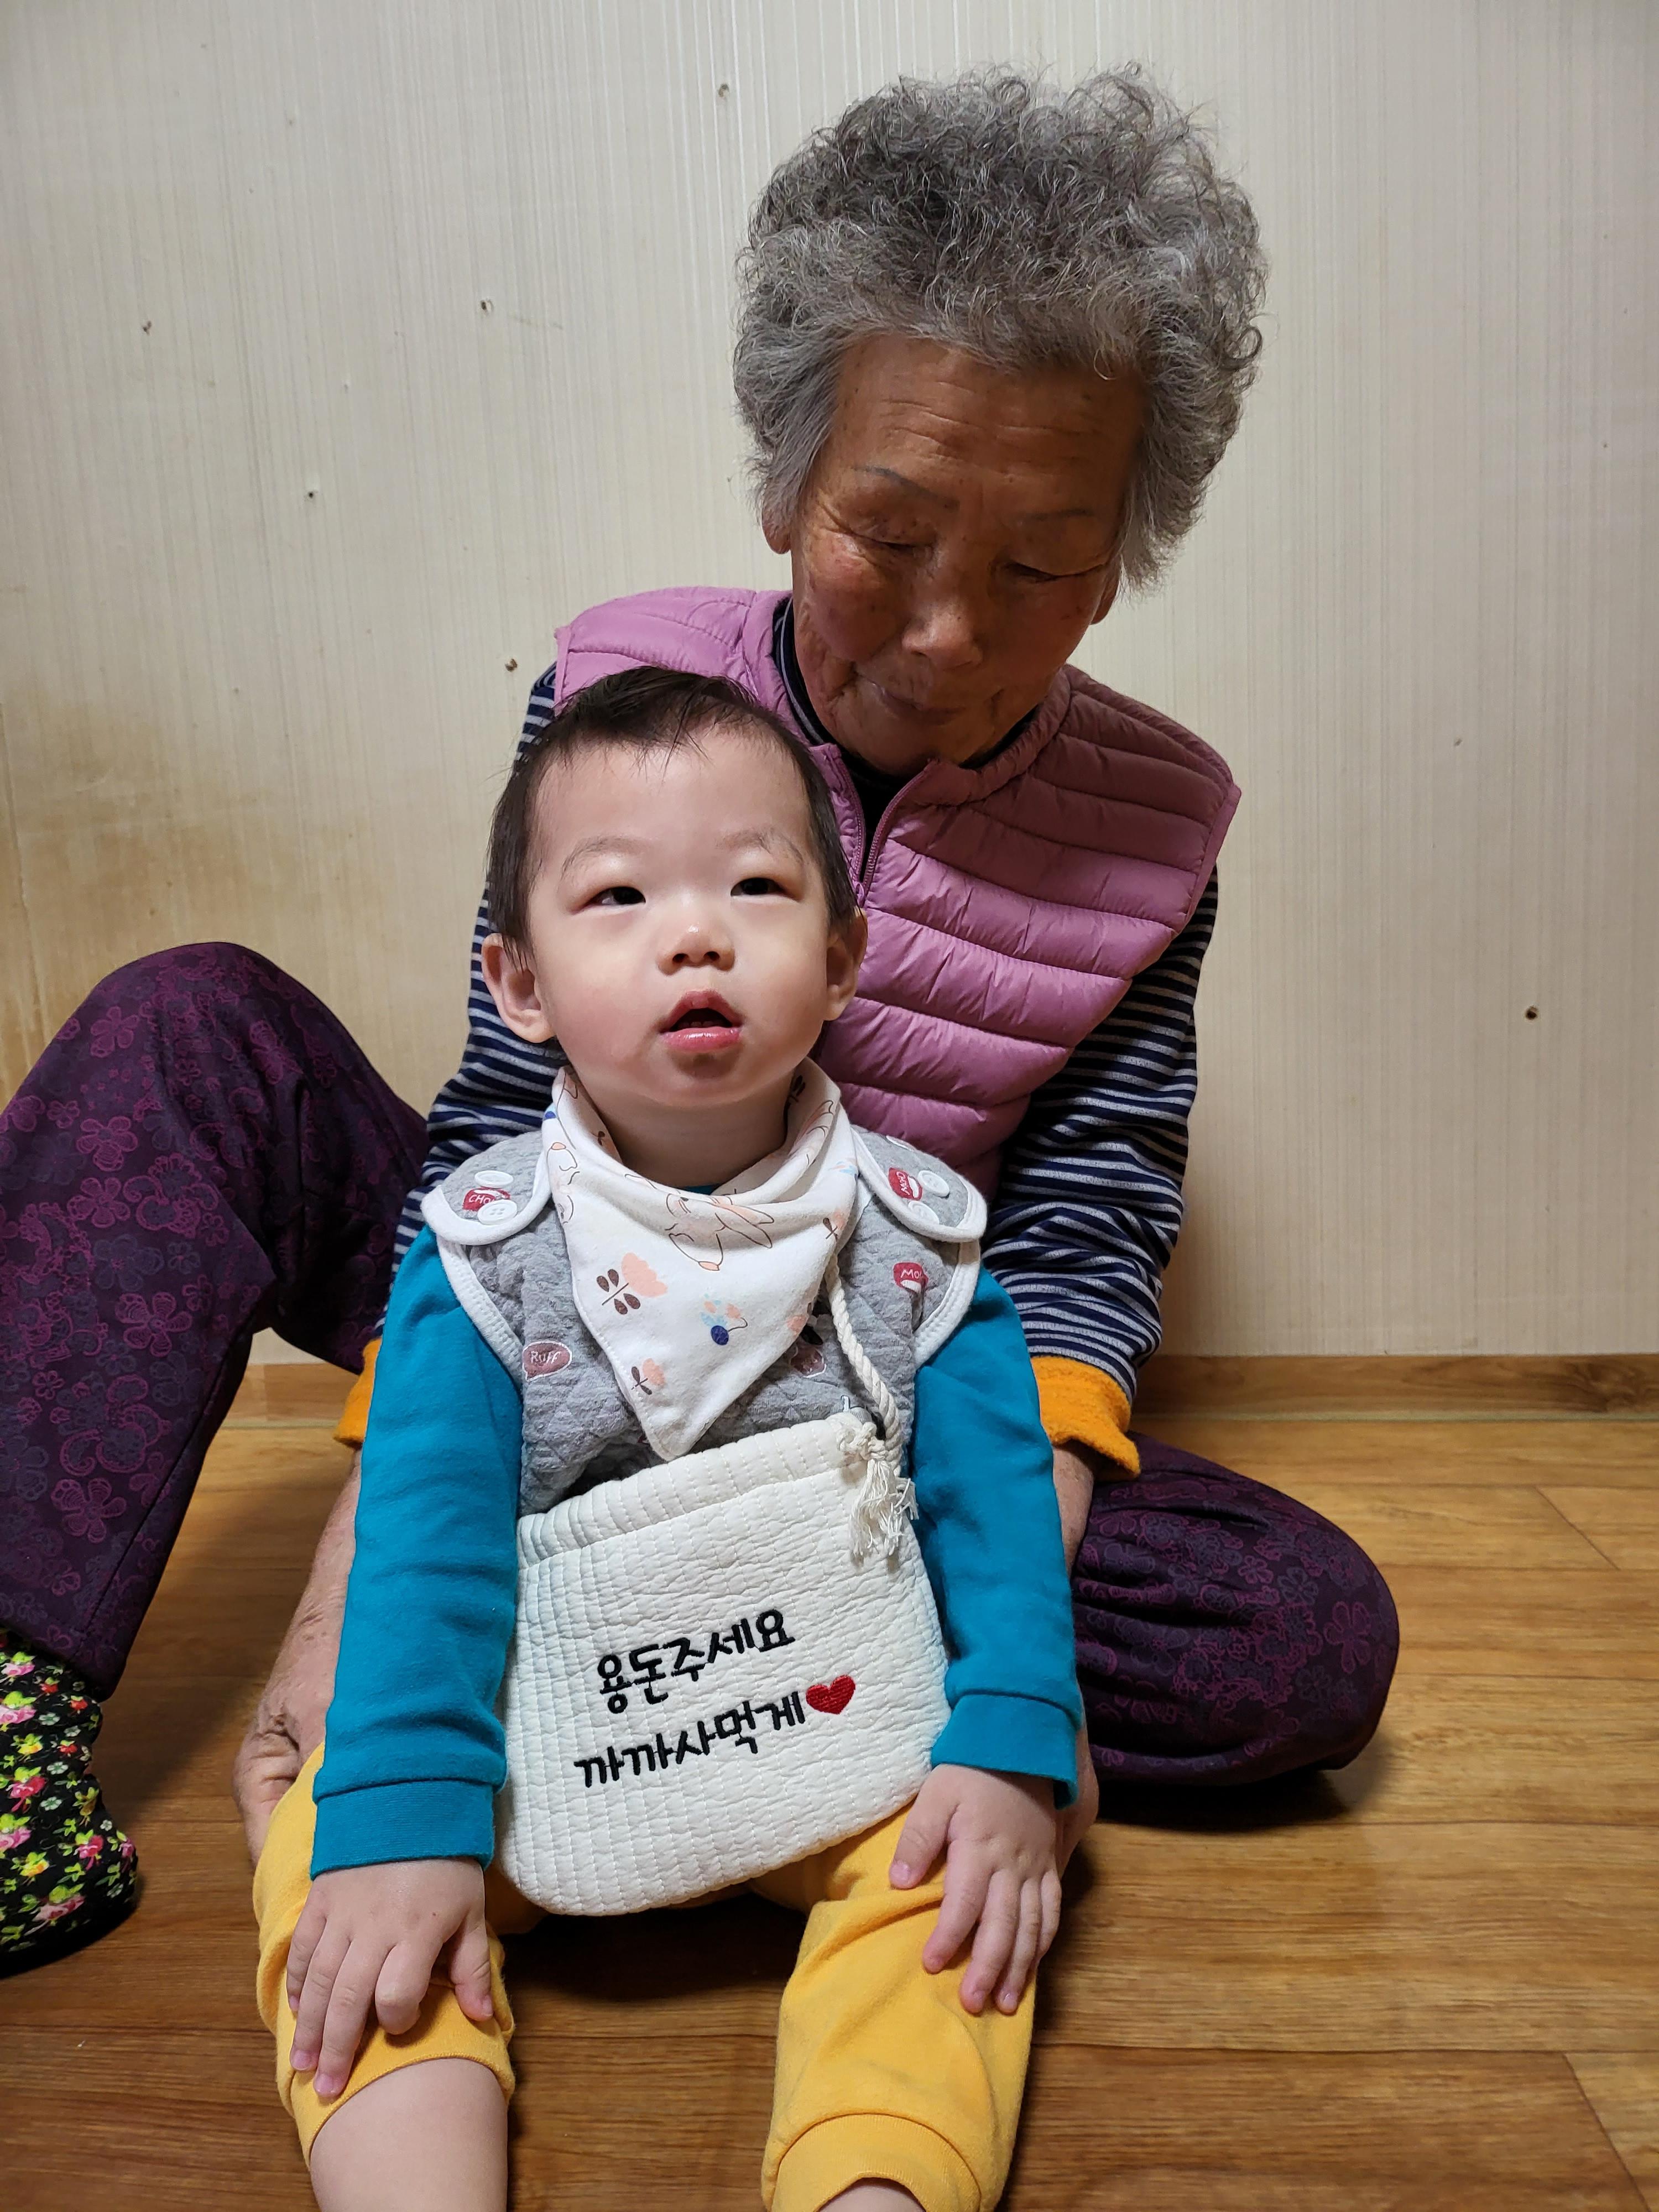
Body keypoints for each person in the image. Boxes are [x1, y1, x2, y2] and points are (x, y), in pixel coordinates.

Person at [0, 67, 1399, 1979]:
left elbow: (1085, 1229)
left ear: (1126, 551)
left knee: (1302, 1637)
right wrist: (362, 1573)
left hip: (862, 1375)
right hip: (526, 1312)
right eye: (887, 532)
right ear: (785, 484)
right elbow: (495, 1118)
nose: (946, 632)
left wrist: (1018, 1683)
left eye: (1040, 563)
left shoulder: (1164, 829)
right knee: (188, 1028)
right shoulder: (620, 685)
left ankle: (655, 1630)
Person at [260, 665, 1084, 2212]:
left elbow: (995, 1508)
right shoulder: (482, 1253)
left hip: (844, 1727)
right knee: (337, 1851)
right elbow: (427, 1546)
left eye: (757, 888)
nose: (694, 936)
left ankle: (878, 2178)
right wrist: (407, 1816)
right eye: (619, 895)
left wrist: (1013, 1737)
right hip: (537, 1736)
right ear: (519, 984)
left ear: (841, 959)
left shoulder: (918, 1237)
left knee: (968, 1871)